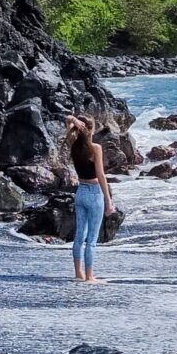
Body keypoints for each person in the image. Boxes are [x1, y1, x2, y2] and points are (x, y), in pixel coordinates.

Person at [64, 115, 115, 283]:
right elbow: (101, 175)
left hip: (80, 192)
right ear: (91, 130)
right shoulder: (95, 148)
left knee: (79, 237)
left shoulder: (74, 146)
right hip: (94, 193)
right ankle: (90, 276)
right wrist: (108, 201)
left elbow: (67, 120)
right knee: (91, 240)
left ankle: (79, 273)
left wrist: (73, 120)